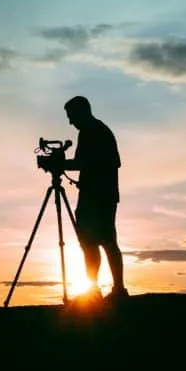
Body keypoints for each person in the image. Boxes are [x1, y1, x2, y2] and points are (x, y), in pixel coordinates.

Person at [63, 96, 128, 301]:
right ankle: (102, 290)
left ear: (81, 112)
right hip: (100, 194)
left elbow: (99, 162)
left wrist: (60, 165)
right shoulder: (96, 130)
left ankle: (110, 290)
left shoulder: (93, 131)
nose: (70, 122)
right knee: (97, 242)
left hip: (97, 196)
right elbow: (87, 162)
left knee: (101, 242)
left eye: (71, 116)